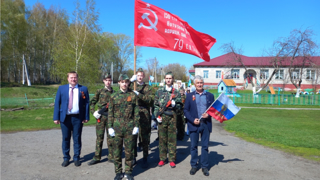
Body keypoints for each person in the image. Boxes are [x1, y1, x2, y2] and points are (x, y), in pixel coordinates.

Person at [53, 71, 89, 167]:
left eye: (75, 77)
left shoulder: (83, 89)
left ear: (77, 78)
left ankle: (76, 158)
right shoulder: (61, 89)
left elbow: (86, 104)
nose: (73, 79)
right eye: (71, 77)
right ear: (68, 79)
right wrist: (56, 117)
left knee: (77, 138)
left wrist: (86, 116)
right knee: (66, 138)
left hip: (78, 118)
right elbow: (57, 103)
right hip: (65, 118)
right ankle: (66, 158)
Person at [108, 74, 140, 180]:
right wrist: (109, 127)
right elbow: (110, 113)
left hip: (129, 127)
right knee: (116, 151)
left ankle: (128, 172)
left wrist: (136, 125)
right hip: (116, 127)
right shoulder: (113, 96)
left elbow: (136, 112)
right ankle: (118, 172)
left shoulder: (133, 96)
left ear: (128, 83)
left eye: (126, 82)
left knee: (129, 151)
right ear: (119, 83)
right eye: (122, 82)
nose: (124, 84)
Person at [184, 75, 214, 176]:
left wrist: (208, 115)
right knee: (193, 146)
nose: (200, 84)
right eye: (198, 83)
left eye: (201, 82)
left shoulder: (209, 95)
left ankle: (204, 166)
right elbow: (186, 110)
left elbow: (213, 110)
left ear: (203, 83)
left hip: (205, 124)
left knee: (205, 147)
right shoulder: (189, 96)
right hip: (194, 125)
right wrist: (192, 120)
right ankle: (194, 165)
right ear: (194, 84)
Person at [154, 71, 181, 168]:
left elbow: (180, 106)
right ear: (164, 79)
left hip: (172, 117)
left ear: (172, 79)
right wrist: (157, 116)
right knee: (162, 139)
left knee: (172, 139)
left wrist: (175, 104)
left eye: (170, 78)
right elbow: (156, 105)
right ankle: (162, 158)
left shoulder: (176, 92)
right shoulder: (159, 91)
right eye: (167, 78)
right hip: (163, 116)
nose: (168, 80)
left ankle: (172, 159)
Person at [87, 73, 115, 165]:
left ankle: (111, 156)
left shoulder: (114, 92)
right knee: (99, 138)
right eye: (106, 80)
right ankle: (97, 157)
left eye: (109, 80)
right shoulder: (99, 91)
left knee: (111, 137)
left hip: (110, 117)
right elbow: (92, 103)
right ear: (103, 81)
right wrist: (93, 112)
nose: (108, 82)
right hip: (101, 117)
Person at [129, 68, 153, 168]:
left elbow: (150, 100)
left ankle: (145, 157)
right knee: (133, 135)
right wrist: (130, 81)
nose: (139, 77)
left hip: (144, 113)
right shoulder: (131, 86)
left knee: (144, 136)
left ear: (143, 76)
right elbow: (123, 91)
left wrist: (140, 95)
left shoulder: (147, 88)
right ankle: (134, 157)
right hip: (134, 112)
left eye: (141, 75)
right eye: (137, 75)